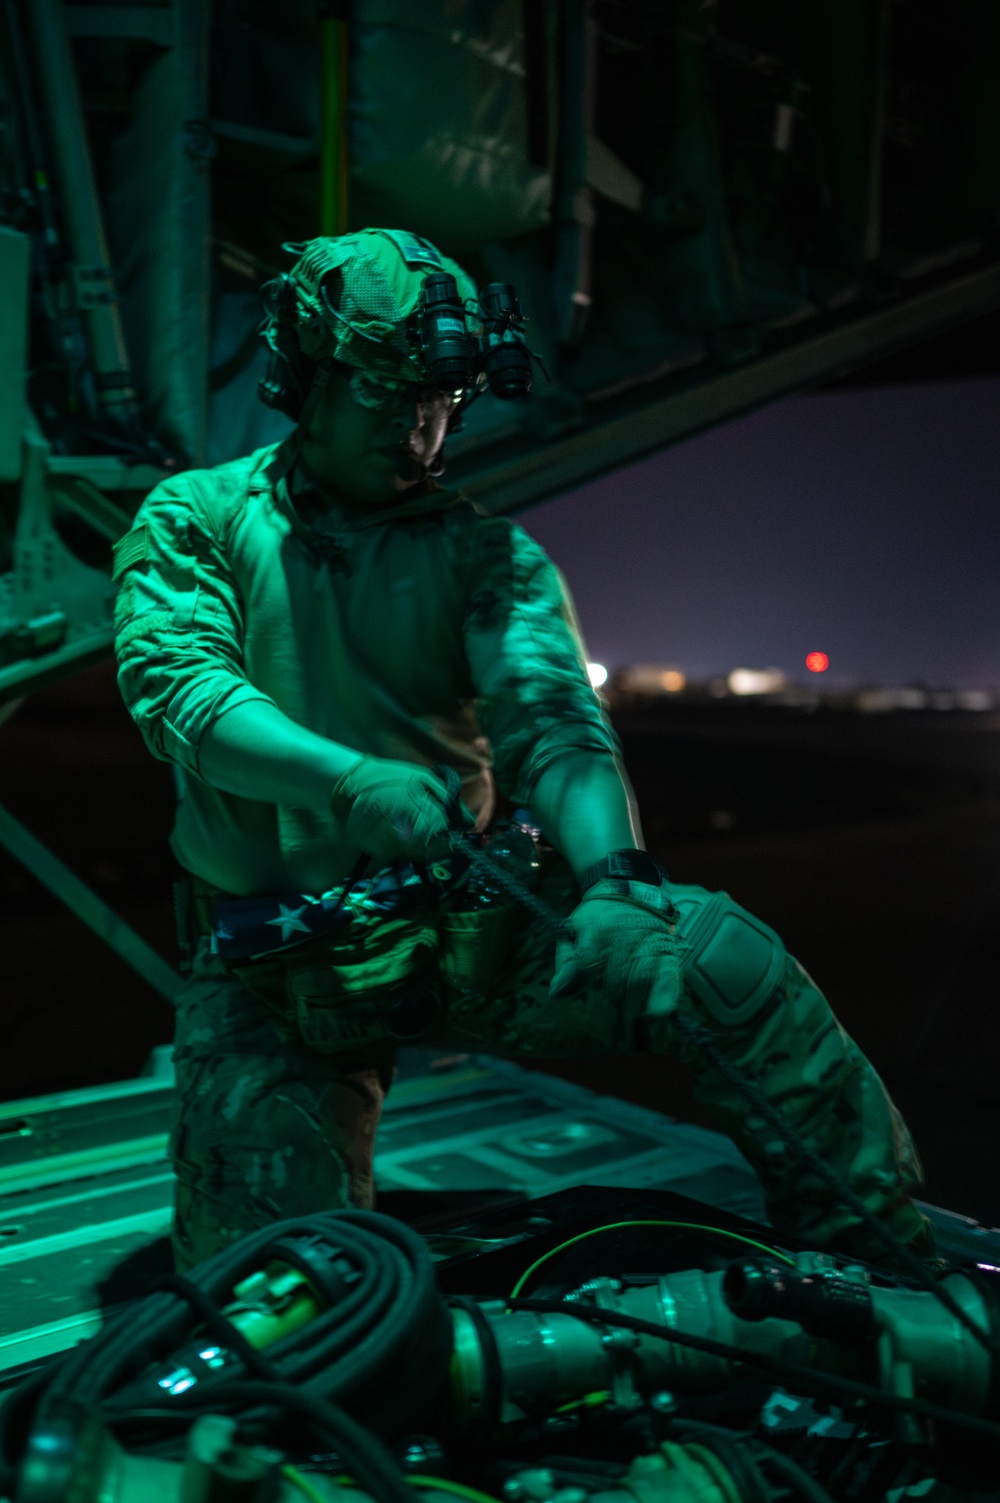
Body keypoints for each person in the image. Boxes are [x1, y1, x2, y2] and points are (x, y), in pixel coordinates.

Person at [113, 228, 932, 1273]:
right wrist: (349, 779)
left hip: (466, 933)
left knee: (723, 965)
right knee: (283, 1295)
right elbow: (180, 693)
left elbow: (553, 724)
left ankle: (884, 1263)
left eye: (437, 402)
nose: (413, 427)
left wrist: (618, 882)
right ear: (308, 378)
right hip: (282, 969)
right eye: (380, 391)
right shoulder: (200, 518)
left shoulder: (484, 555)